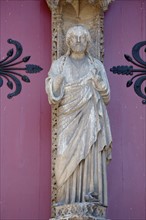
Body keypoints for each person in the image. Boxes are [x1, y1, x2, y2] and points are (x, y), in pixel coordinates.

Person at [45, 25, 112, 207]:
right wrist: (56, 86)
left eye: (82, 38)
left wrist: (99, 84)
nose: (78, 41)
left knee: (90, 154)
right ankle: (64, 200)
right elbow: (53, 96)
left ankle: (90, 197)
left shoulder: (96, 66)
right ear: (67, 41)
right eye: (74, 37)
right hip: (68, 119)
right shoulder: (59, 65)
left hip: (91, 119)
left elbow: (107, 97)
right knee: (64, 159)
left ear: (88, 42)